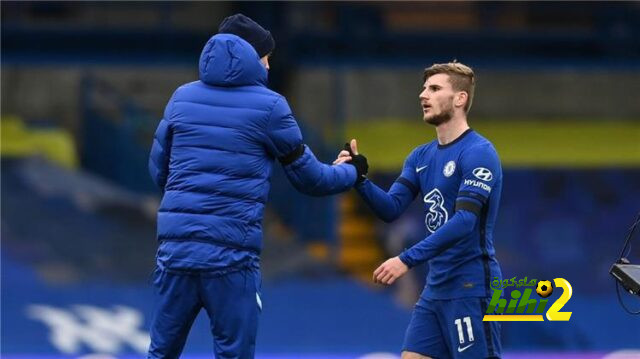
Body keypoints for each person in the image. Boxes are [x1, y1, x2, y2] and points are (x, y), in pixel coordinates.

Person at [147, 14, 367, 359]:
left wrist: (189, 210)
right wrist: (352, 171)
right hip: (231, 260)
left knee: (160, 354)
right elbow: (311, 180)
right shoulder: (270, 106)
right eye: (266, 55)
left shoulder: (181, 98)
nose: (268, 64)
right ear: (252, 56)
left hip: (176, 254)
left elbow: (158, 170)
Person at [335, 62, 503, 358]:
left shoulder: (479, 152)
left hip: (471, 287)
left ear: (460, 98)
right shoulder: (420, 156)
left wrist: (405, 259)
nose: (423, 94)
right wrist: (358, 179)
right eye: (424, 88)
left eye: (435, 88)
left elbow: (465, 221)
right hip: (435, 288)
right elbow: (390, 208)